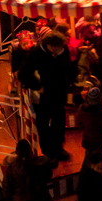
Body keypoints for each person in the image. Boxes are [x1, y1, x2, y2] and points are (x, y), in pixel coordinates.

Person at [19, 30, 75, 160]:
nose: (62, 49)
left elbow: (67, 67)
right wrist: (38, 86)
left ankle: (58, 148)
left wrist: (69, 81)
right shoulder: (36, 54)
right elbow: (23, 73)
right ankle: (47, 153)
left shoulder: (63, 51)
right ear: (51, 46)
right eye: (59, 47)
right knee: (43, 124)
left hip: (59, 92)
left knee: (59, 121)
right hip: (42, 96)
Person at [77, 86, 102, 164]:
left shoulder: (82, 111)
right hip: (101, 143)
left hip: (88, 142)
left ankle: (85, 173)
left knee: (88, 160)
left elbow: (79, 125)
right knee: (100, 161)